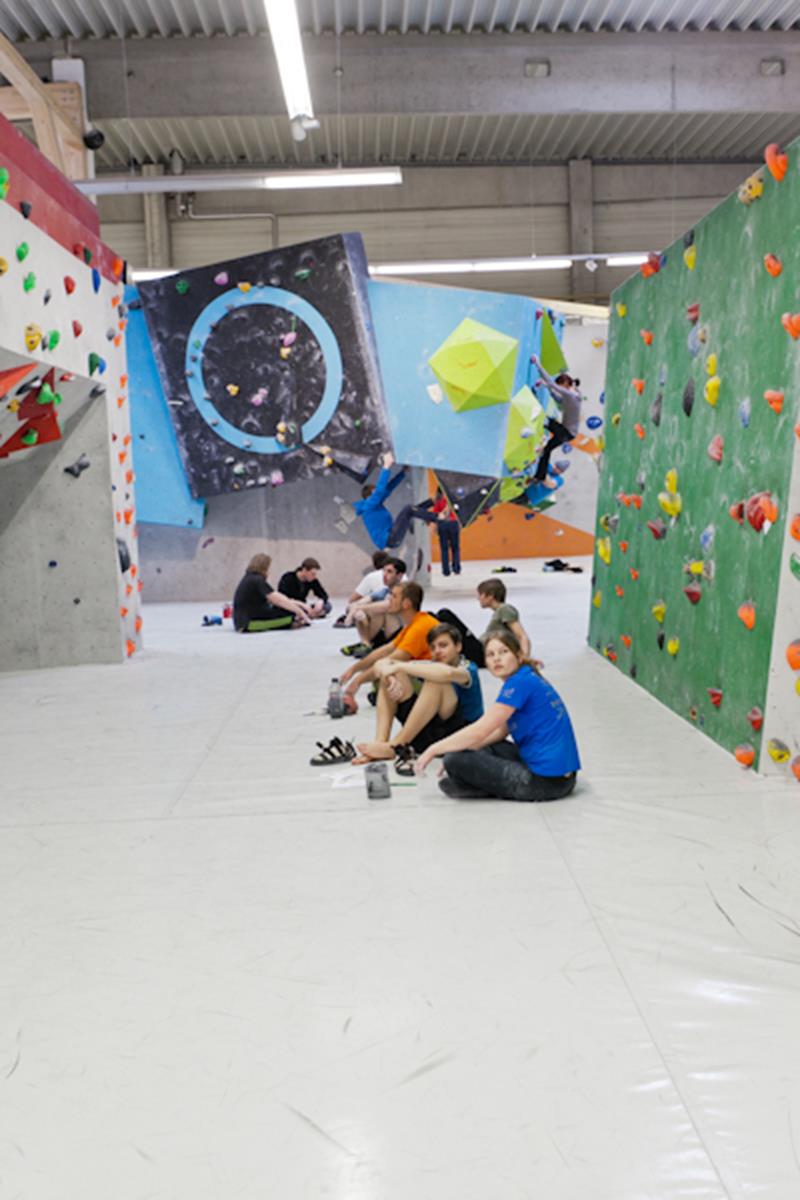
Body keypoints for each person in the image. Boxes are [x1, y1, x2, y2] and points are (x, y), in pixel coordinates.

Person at [414, 629, 580, 802]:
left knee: (454, 759)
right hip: (561, 776)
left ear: (519, 655)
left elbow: (480, 730)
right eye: (490, 655)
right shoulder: (525, 677)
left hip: (547, 783)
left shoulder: (518, 683)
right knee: (478, 748)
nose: (497, 659)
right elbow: (499, 732)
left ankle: (478, 785)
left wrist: (434, 749)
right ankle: (474, 782)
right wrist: (459, 747)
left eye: (503, 652)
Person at [353, 623, 484, 768]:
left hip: (457, 736)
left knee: (437, 681)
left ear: (458, 647)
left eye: (443, 645)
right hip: (426, 735)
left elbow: (447, 673)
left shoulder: (468, 668)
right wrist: (390, 676)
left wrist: (399, 666)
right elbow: (381, 664)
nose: (437, 651)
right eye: (433, 648)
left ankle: (396, 745)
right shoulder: (431, 664)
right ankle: (380, 744)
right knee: (393, 674)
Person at [339, 580, 439, 704]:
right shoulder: (413, 623)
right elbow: (385, 649)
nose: (389, 599)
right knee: (382, 674)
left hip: (435, 685)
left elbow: (391, 660)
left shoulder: (420, 627)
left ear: (406, 604)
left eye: (394, 596)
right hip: (425, 675)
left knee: (390, 674)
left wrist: (357, 681)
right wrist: (353, 669)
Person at [530, 352, 583, 486]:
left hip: (566, 432)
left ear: (565, 383)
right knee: (547, 449)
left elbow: (552, 384)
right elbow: (558, 398)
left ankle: (540, 474)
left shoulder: (571, 394)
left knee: (544, 420)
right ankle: (540, 476)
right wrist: (547, 387)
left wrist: (537, 364)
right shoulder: (574, 393)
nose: (561, 388)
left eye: (561, 386)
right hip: (567, 433)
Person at [232, 554, 312, 632]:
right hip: (249, 623)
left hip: (245, 620)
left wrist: (300, 604)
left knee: (285, 611)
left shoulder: (250, 578)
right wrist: (300, 612)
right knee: (292, 617)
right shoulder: (257, 580)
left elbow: (278, 597)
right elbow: (277, 600)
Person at [354, 451, 407, 550]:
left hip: (390, 539)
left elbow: (388, 488)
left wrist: (403, 473)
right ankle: (434, 514)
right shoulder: (368, 506)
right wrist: (386, 467)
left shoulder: (374, 504)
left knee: (409, 512)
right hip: (388, 539)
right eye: (374, 491)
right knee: (408, 510)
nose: (378, 493)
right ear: (370, 495)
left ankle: (431, 502)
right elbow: (379, 491)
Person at [477, 578, 533, 660]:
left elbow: (522, 635)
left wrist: (524, 657)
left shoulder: (504, 609)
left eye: (480, 594)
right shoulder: (499, 611)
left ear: (490, 596)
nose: (478, 598)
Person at [431, 489, 461, 576]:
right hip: (453, 523)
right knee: (455, 548)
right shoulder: (454, 499)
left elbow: (435, 515)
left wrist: (435, 528)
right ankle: (456, 568)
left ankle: (446, 570)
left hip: (443, 524)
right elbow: (459, 513)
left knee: (444, 549)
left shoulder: (439, 500)